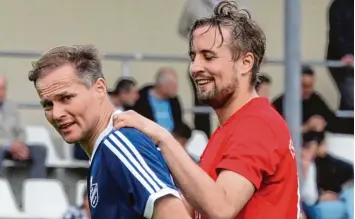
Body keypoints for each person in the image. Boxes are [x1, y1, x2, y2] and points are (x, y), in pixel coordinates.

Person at [113, 1, 299, 218]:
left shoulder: (257, 124)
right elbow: (189, 212)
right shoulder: (231, 128)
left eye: (208, 57)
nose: (195, 68)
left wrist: (162, 138)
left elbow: (221, 208)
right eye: (193, 57)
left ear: (246, 63)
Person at [27, 45, 191, 219]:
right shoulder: (105, 149)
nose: (56, 113)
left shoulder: (120, 142)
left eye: (66, 98)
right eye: (47, 105)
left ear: (100, 89)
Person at [0, 75, 47, 178]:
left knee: (40, 150)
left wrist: (20, 145)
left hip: (14, 148)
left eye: (3, 88)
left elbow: (21, 131)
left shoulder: (11, 106)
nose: (1, 92)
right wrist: (9, 145)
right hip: (3, 147)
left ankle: (36, 187)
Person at [133, 67, 183, 132]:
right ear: (162, 84)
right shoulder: (141, 99)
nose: (176, 89)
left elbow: (179, 122)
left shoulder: (174, 101)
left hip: (171, 138)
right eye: (172, 85)